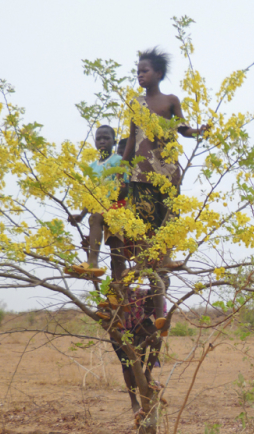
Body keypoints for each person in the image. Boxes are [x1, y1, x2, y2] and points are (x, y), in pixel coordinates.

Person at [121, 47, 208, 331]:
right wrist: (121, 173)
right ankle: (146, 279)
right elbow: (132, 141)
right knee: (145, 229)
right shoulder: (136, 103)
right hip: (141, 176)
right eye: (137, 71)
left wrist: (198, 131)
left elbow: (183, 128)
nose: (140, 75)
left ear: (158, 73)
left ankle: (161, 288)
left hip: (168, 174)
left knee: (166, 226)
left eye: (144, 70)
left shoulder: (171, 101)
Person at [67, 125, 124, 278]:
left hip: (118, 208)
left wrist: (110, 201)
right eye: (98, 139)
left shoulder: (118, 160)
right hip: (100, 210)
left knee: (116, 251)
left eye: (106, 138)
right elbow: (90, 195)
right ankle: (92, 266)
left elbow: (126, 187)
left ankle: (93, 263)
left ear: (114, 142)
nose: (102, 141)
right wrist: (81, 215)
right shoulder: (92, 167)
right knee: (94, 219)